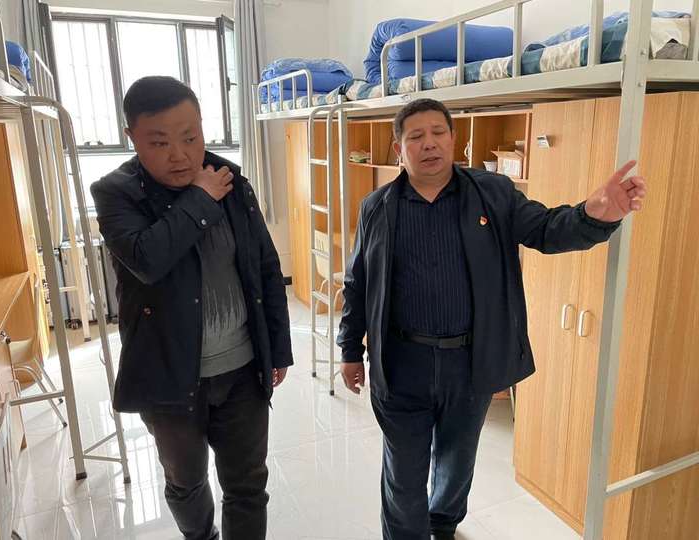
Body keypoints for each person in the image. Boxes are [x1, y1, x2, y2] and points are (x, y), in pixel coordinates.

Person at [337, 98, 646, 540]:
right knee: (403, 474)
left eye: (438, 133)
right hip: (403, 363)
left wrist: (594, 213)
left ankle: (443, 524)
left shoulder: (493, 194)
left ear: (453, 139)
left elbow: (545, 228)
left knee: (457, 461)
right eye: (416, 137)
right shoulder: (377, 207)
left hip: (471, 363)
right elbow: (358, 282)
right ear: (399, 149)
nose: (429, 144)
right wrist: (350, 350)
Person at [91, 76, 292, 540]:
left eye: (190, 137)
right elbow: (148, 260)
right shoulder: (116, 194)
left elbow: (265, 267)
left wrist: (277, 349)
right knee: (185, 481)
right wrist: (200, 198)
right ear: (132, 138)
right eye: (159, 142)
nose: (180, 155)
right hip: (169, 375)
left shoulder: (230, 180)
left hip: (241, 370)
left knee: (247, 484)